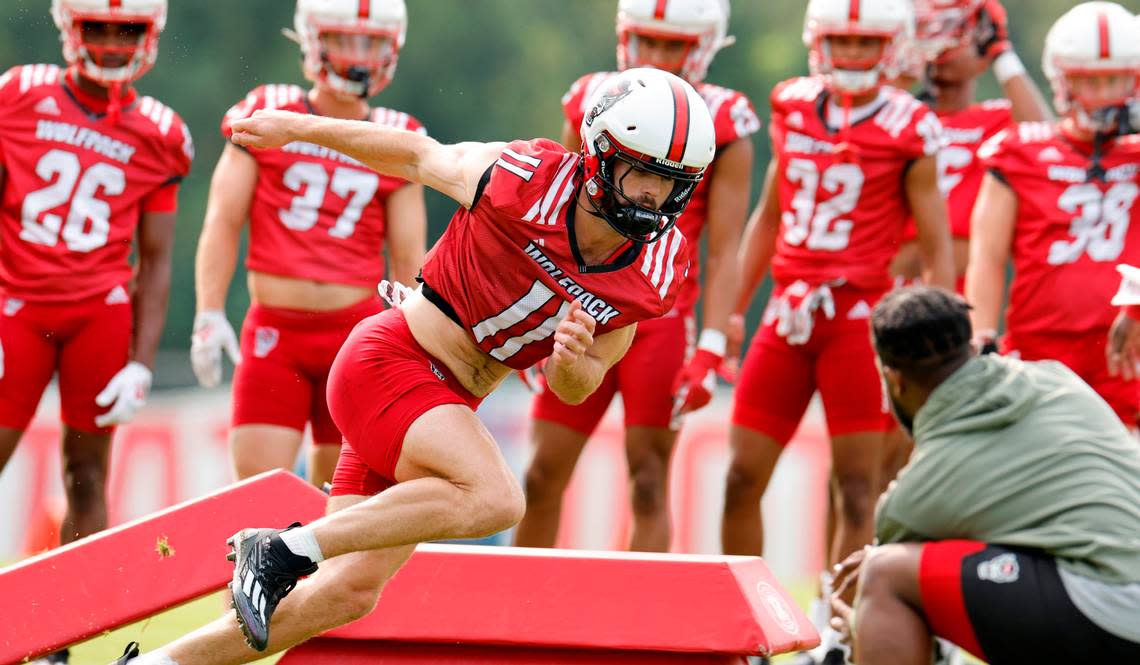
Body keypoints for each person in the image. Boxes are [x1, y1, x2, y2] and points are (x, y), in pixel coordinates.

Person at [113, 67, 714, 665]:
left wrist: (574, 358)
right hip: (391, 360)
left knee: (347, 592)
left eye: (673, 185)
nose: (654, 199)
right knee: (497, 497)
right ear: (601, 154)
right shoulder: (524, 179)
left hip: (436, 409)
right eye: (645, 175)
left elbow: (578, 386)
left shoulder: (657, 270)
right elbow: (412, 155)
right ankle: (282, 548)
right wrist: (297, 128)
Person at [723, 0, 954, 662]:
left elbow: (936, 243)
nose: (851, 54)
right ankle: (743, 629)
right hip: (789, 309)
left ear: (893, 47)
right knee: (742, 474)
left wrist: (942, 338)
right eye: (841, 40)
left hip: (860, 314)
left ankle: (840, 629)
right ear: (818, 41)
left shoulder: (911, 125)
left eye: (865, 41)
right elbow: (770, 215)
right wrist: (735, 308)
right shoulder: (792, 102)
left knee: (857, 485)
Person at [515, 0, 758, 553]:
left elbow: (724, 249)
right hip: (582, 307)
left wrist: (712, 344)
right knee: (540, 474)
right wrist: (533, 317)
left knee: (648, 482)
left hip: (659, 317)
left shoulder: (724, 120)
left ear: (702, 47)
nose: (655, 56)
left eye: (672, 45)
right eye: (646, 40)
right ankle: (521, 623)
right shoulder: (592, 97)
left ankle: (638, 635)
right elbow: (555, 213)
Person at [0, 2, 191, 662]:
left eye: (127, 29)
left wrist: (140, 359)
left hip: (98, 316)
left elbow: (157, 257)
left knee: (87, 477)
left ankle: (65, 639)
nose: (112, 43)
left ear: (150, 33)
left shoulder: (161, 132)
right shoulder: (18, 95)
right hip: (15, 305)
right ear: (69, 27)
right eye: (98, 28)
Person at [828, 285, 1140, 665]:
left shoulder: (918, 492)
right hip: (1109, 598)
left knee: (882, 574)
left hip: (1112, 612)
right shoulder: (1058, 380)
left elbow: (880, 577)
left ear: (893, 380)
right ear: (972, 348)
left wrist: (862, 627)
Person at [191, 0, 426, 489]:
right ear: (314, 39)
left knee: (336, 504)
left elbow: (407, 258)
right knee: (259, 499)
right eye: (345, 39)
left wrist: (413, 345)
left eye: (372, 43)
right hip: (277, 330)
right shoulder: (269, 110)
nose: (359, 55)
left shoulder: (397, 135)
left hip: (355, 333)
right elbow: (223, 218)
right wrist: (209, 311)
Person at [966, 1, 1140, 427]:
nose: (1102, 95)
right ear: (1062, 80)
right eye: (1088, 81)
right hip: (1039, 354)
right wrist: (982, 341)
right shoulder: (1019, 151)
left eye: (1114, 80)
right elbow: (986, 257)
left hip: (1127, 356)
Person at [891, 0, 1052, 289]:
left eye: (956, 33)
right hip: (888, 286)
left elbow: (1045, 143)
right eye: (929, 30)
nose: (942, 46)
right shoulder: (899, 114)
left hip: (962, 291)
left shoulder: (997, 119)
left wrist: (1001, 52)